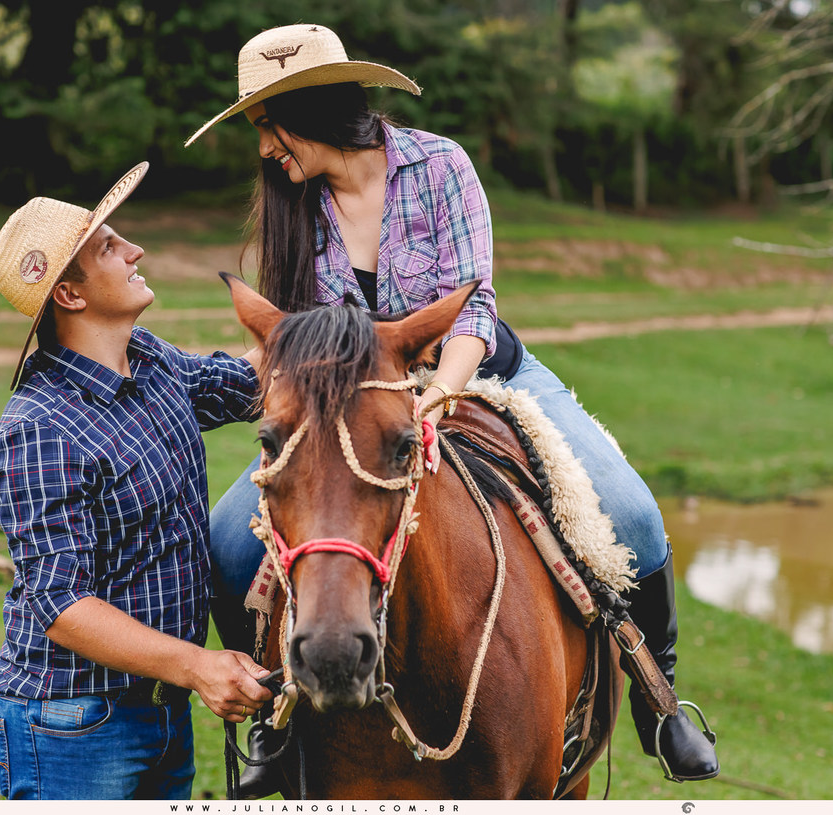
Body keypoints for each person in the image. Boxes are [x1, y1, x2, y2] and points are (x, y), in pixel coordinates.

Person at [185, 24, 720, 792]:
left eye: (267, 126)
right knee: (230, 542)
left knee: (630, 514)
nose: (265, 149)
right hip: (356, 405)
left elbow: (473, 309)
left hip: (478, 374)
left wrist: (441, 390)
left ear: (306, 112)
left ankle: (660, 701)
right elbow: (297, 337)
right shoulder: (288, 205)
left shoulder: (441, 166)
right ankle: (281, 713)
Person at [0, 162, 274, 800]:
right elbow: (62, 606)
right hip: (72, 725)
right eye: (109, 246)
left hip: (161, 706)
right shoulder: (37, 432)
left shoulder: (150, 359)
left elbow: (245, 383)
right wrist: (199, 666)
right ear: (71, 295)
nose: (135, 248)